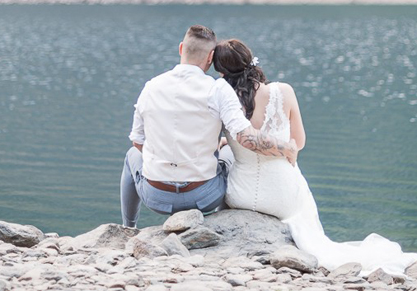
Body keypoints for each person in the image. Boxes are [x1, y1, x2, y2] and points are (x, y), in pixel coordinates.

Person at [213, 38, 417, 276]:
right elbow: (299, 143)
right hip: (282, 200)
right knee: (296, 180)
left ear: (220, 71)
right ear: (250, 60)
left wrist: (226, 142)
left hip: (240, 195)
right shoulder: (283, 91)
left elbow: (235, 138)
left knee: (228, 154)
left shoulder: (223, 100)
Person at [120, 25, 297, 228]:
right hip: (203, 197)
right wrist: (286, 148)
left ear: (180, 49)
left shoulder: (151, 87)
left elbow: (138, 142)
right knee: (230, 151)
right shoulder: (217, 89)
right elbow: (246, 138)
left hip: (156, 197)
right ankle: (223, 223)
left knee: (131, 156)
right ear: (210, 57)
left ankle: (128, 227)